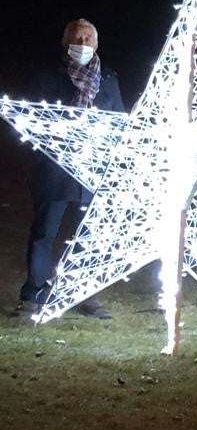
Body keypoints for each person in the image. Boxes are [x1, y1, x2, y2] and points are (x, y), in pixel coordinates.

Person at [16, 18, 126, 318]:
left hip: (93, 174)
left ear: (97, 43)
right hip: (55, 172)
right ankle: (34, 296)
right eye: (77, 39)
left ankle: (83, 294)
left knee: (89, 237)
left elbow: (119, 121)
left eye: (88, 38)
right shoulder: (48, 79)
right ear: (66, 44)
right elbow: (37, 122)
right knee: (44, 233)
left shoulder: (109, 80)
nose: (83, 44)